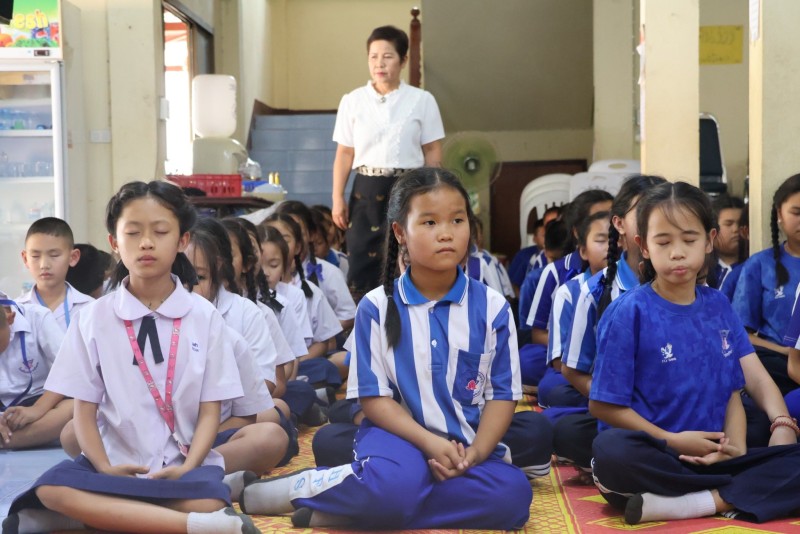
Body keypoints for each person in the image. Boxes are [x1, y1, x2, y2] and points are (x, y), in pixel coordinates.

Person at [240, 168, 532, 529]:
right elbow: (374, 400)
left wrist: (475, 454)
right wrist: (430, 444)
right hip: (397, 440)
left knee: (514, 497)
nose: (446, 233)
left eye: (457, 220)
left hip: (463, 443)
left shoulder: (492, 307)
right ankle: (312, 489)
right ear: (400, 232)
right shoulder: (377, 307)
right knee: (398, 484)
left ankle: (348, 506)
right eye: (429, 222)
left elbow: (502, 396)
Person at [3, 181, 256, 534]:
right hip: (111, 463)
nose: (146, 243)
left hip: (183, 463)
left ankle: (88, 517)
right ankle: (196, 526)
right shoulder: (94, 318)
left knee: (208, 500)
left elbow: (210, 411)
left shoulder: (204, 316)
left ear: (182, 240)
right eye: (133, 233)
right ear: (114, 243)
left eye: (160, 232)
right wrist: (104, 467)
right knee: (50, 488)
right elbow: (83, 412)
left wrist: (189, 466)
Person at [590, 181, 800, 526]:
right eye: (664, 242)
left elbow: (732, 391)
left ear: (709, 240)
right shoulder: (629, 312)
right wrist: (673, 441)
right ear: (644, 246)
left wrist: (736, 448)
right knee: (612, 451)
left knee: (788, 452)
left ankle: (699, 501)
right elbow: (602, 406)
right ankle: (736, 491)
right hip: (658, 452)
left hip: (716, 454)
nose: (677, 252)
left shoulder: (718, 305)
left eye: (689, 240)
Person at [331, 25, 445, 298]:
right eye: (373, 56)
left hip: (409, 189)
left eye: (387, 56)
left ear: (403, 60)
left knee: (410, 256)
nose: (379, 63)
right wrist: (337, 197)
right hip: (366, 190)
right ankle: (368, 319)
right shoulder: (353, 101)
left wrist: (433, 193)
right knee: (363, 260)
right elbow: (345, 153)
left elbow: (432, 150)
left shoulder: (422, 100)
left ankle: (411, 316)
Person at [733, 174, 800, 395]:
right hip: (778, 366)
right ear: (780, 214)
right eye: (797, 212)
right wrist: (786, 351)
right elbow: (739, 333)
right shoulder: (760, 265)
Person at [0, 291, 68, 450]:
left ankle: (6, 441)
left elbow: (69, 369)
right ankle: (31, 437)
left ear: (10, 319)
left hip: (39, 400)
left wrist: (37, 409)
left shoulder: (38, 317)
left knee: (74, 408)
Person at [18, 217, 94, 332]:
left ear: (73, 257)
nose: (44, 265)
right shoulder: (16, 310)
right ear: (25, 259)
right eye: (35, 256)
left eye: (54, 255)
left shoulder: (90, 308)